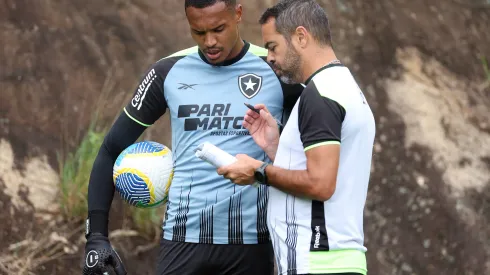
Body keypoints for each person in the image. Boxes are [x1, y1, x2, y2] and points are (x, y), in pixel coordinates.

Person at [82, 0, 303, 274]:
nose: (209, 41)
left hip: (253, 242)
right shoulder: (167, 71)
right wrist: (96, 237)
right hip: (182, 240)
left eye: (218, 29)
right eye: (198, 32)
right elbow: (111, 149)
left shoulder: (276, 68)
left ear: (238, 14)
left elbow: (315, 158)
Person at [217, 1, 376, 275]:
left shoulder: (320, 95)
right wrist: (275, 147)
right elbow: (327, 172)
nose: (269, 57)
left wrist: (258, 172)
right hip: (334, 260)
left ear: (301, 37)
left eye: (272, 46)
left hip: (317, 262)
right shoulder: (344, 87)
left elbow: (320, 184)